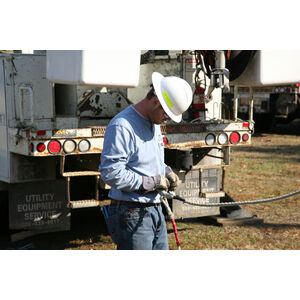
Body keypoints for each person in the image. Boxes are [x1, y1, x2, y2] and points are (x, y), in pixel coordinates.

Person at [99, 72, 193, 250]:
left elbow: (147, 159)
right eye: (166, 114)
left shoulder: (154, 123)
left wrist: (166, 172)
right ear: (156, 101)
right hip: (131, 212)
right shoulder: (122, 126)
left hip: (154, 208)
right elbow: (110, 172)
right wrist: (149, 182)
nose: (166, 119)